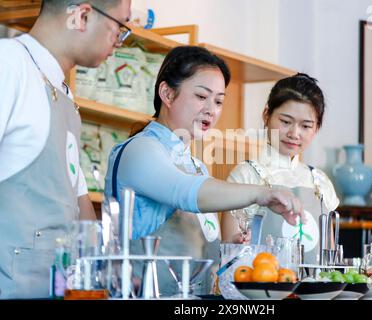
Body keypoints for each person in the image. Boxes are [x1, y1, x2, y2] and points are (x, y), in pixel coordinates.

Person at [104, 46, 305, 297]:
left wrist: (228, 248)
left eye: (219, 100)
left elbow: (196, 241)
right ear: (167, 93)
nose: (212, 109)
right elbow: (186, 192)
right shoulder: (140, 150)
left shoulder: (196, 165)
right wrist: (262, 193)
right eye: (201, 96)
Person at [0, 0, 132, 299]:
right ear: (83, 15)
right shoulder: (8, 64)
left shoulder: (64, 94)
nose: (119, 40)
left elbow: (77, 198)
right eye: (119, 27)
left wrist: (102, 270)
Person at [221, 73, 340, 265]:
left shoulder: (320, 181)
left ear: (316, 128)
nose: (294, 133)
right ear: (266, 116)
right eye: (285, 122)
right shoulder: (245, 175)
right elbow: (230, 258)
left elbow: (330, 260)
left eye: (306, 126)